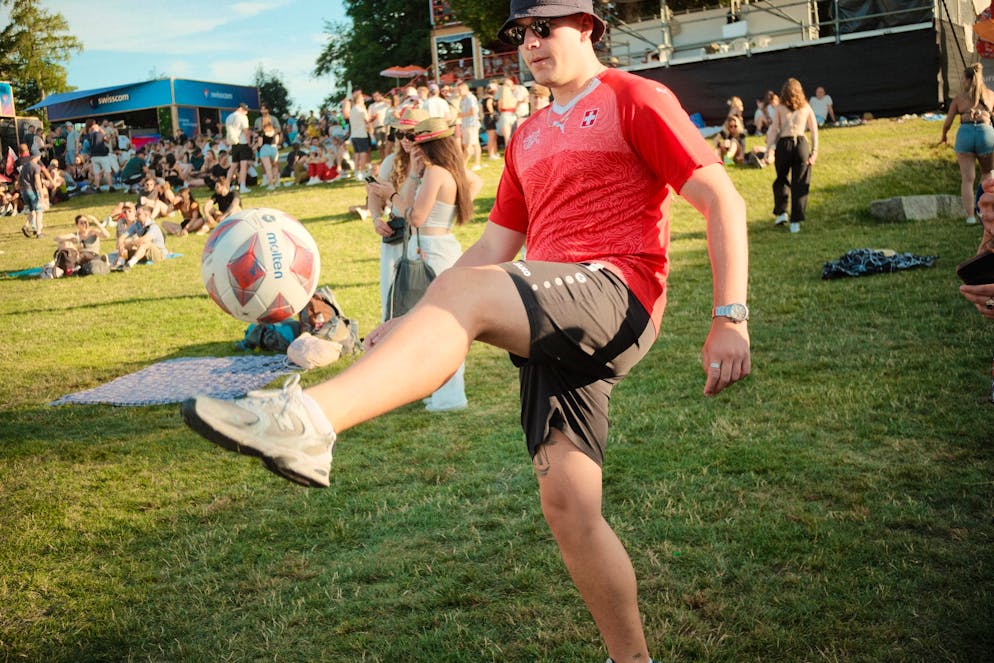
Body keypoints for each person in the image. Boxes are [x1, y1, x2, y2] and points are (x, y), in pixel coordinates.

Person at [182, 2, 750, 662]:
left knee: (464, 288)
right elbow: (496, 243)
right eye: (520, 34)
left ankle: (305, 421)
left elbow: (721, 199)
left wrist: (729, 316)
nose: (531, 44)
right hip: (549, 308)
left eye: (545, 28)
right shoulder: (531, 134)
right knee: (568, 505)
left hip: (616, 290)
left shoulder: (635, 97)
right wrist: (413, 321)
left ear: (588, 25)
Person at [366, 107, 430, 320]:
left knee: (425, 301)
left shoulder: (434, 164)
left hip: (425, 236)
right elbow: (373, 193)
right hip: (396, 234)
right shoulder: (392, 161)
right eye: (400, 134)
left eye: (410, 135)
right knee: (393, 299)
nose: (404, 139)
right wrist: (376, 218)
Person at [940, 63, 994, 226]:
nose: (962, 81)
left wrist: (944, 135)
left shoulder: (959, 99)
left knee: (967, 179)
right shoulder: (991, 95)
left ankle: (970, 217)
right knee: (988, 176)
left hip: (965, 135)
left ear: (968, 80)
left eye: (963, 78)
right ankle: (987, 213)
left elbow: (948, 122)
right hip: (986, 134)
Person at [765, 77, 818, 233]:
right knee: (800, 182)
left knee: (781, 178)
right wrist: (814, 151)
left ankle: (781, 213)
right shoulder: (806, 107)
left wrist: (769, 149)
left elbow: (774, 129)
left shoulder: (780, 108)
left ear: (784, 93)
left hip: (784, 144)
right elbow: (814, 130)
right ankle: (796, 220)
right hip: (801, 144)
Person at [112, 205, 167, 271]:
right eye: (136, 214)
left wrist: (129, 243)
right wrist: (121, 245)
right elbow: (122, 237)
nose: (136, 216)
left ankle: (129, 265)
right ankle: (120, 264)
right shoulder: (137, 225)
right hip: (144, 252)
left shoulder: (153, 227)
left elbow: (143, 240)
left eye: (139, 214)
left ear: (146, 215)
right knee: (125, 245)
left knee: (146, 243)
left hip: (159, 254)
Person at [225, 103, 253, 193]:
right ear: (241, 109)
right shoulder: (243, 117)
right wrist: (249, 143)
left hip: (233, 143)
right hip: (243, 142)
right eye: (245, 110)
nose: (246, 112)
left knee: (233, 166)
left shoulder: (229, 117)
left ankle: (227, 186)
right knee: (243, 165)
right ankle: (242, 186)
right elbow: (246, 131)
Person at [17, 146, 44, 238]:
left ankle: (26, 226)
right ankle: (39, 232)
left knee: (32, 211)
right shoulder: (36, 166)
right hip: (32, 191)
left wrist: (21, 188)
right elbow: (37, 180)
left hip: (24, 191)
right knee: (39, 211)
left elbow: (19, 178)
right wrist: (41, 193)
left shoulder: (24, 166)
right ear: (38, 156)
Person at [254, 103, 282, 190]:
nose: (263, 111)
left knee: (268, 168)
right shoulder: (273, 131)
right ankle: (277, 181)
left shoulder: (262, 131)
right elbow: (277, 137)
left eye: (264, 109)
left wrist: (256, 146)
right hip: (274, 147)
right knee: (275, 165)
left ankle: (271, 184)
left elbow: (259, 142)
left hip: (264, 148)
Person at [457, 82, 483, 171]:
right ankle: (474, 164)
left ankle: (466, 165)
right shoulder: (464, 99)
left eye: (460, 90)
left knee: (471, 145)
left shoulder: (470, 98)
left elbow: (473, 111)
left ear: (466, 89)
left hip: (471, 124)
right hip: (466, 124)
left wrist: (461, 115)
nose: (459, 91)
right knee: (473, 144)